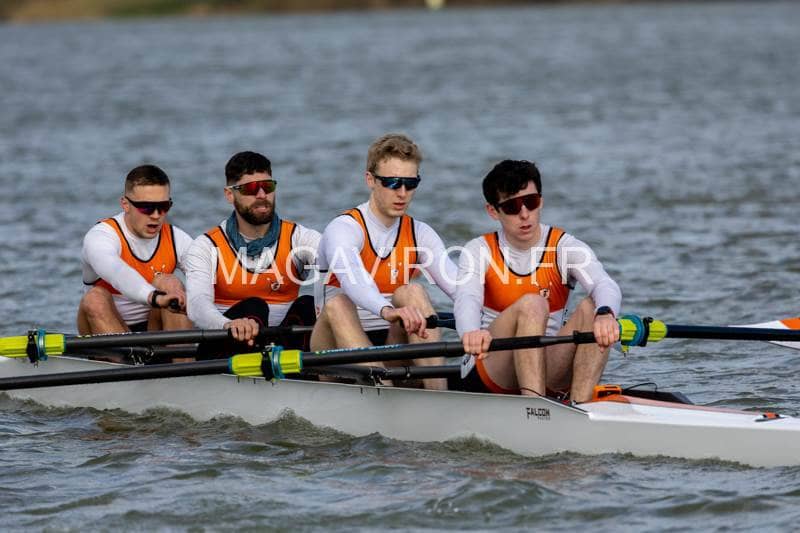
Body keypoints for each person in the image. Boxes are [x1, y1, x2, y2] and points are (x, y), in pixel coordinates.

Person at [455, 160, 621, 403]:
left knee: (592, 307)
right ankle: (534, 406)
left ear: (540, 201)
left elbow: (604, 284)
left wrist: (605, 313)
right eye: (511, 207)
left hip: (548, 366)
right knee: (533, 304)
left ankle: (581, 406)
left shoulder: (565, 246)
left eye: (530, 202)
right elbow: (466, 299)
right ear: (493, 211)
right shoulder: (478, 250)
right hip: (492, 366)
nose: (524, 214)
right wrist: (470, 332)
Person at [312, 133, 457, 390]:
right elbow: (353, 279)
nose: (402, 193)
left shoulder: (420, 233)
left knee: (412, 292)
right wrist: (387, 310)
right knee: (338, 304)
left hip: (390, 347)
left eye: (410, 184)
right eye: (392, 182)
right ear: (370, 180)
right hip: (334, 353)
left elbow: (460, 287)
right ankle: (384, 392)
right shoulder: (344, 228)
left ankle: (439, 396)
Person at [185, 151, 320, 357]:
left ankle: (298, 370)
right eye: (251, 189)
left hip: (282, 345)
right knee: (254, 306)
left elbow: (334, 264)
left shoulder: (299, 238)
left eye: (268, 186)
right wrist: (228, 324)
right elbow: (197, 305)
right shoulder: (206, 246)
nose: (261, 195)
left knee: (309, 304)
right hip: (228, 348)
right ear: (230, 194)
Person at [79, 164, 193, 335]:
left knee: (170, 283)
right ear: (125, 204)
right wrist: (155, 297)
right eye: (146, 207)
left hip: (155, 328)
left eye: (163, 206)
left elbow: (214, 278)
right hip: (107, 327)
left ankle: (181, 353)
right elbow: (117, 272)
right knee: (94, 298)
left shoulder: (177, 238)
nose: (156, 215)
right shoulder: (100, 237)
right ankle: (125, 353)